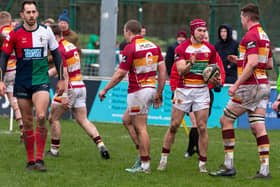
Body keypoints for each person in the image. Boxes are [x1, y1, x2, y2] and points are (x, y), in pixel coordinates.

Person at [209, 3, 273, 179]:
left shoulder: (250, 35)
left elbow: (252, 63)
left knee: (225, 120)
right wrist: (239, 61)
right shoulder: (264, 35)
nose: (241, 21)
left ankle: (228, 165)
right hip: (263, 85)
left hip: (249, 86)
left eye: (241, 18)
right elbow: (268, 64)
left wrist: (236, 84)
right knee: (258, 126)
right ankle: (265, 170)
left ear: (246, 17)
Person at [0, 0, 65, 172]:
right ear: (22, 15)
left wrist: (61, 78)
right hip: (21, 83)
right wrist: (1, 80)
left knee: (42, 116)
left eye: (33, 12)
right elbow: (3, 58)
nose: (31, 15)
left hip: (40, 81)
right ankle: (30, 161)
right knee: (28, 122)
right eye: (27, 12)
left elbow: (57, 55)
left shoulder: (46, 31)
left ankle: (40, 159)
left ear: (37, 13)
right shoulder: (14, 34)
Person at [98, 19, 166, 173]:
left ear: (128, 31)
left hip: (138, 91)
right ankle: (141, 155)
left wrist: (105, 89)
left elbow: (120, 73)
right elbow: (162, 71)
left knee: (141, 128)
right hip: (150, 89)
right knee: (127, 120)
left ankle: (145, 164)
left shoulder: (130, 48)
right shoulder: (154, 46)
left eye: (124, 31)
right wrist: (159, 92)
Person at [157, 19, 220, 173]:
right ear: (192, 31)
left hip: (201, 91)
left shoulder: (210, 49)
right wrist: (190, 64)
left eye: (204, 30)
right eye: (199, 30)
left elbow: (214, 69)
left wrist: (215, 79)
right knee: (173, 126)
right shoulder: (181, 49)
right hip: (183, 90)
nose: (202, 33)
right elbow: (180, 71)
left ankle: (202, 164)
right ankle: (163, 159)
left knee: (202, 127)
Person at [46, 24, 110, 159]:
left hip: (70, 86)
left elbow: (64, 72)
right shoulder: (70, 46)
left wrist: (65, 95)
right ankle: (101, 145)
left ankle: (54, 151)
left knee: (53, 118)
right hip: (80, 85)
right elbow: (64, 68)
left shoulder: (59, 49)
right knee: (83, 120)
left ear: (55, 36)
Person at [184, 30, 225, 159]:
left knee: (202, 125)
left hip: (206, 92)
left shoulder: (213, 54)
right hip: (190, 91)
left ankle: (198, 151)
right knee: (194, 122)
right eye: (203, 37)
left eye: (207, 37)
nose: (204, 40)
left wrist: (218, 83)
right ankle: (191, 150)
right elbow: (179, 70)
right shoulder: (189, 52)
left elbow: (221, 72)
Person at [0, 11, 24, 142]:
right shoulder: (16, 32)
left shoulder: (1, 34)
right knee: (14, 101)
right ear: (9, 22)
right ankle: (22, 129)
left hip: (2, 70)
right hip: (14, 70)